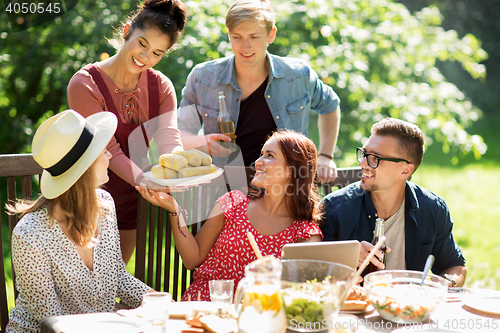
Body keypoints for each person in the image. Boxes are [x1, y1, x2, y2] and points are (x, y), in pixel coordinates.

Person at [5, 110, 153, 333]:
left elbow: (117, 276)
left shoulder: (105, 204)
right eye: (103, 151)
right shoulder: (29, 235)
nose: (110, 156)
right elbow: (51, 321)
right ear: (84, 169)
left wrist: (163, 304)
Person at [137, 130, 323, 301]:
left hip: (254, 315)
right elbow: (192, 258)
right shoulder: (233, 202)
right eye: (261, 154)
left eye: (270, 156)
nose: (258, 162)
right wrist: (174, 209)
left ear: (292, 170)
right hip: (201, 306)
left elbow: (297, 294)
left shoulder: (305, 234)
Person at [67, 0, 188, 263]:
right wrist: (147, 180)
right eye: (142, 43)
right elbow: (107, 148)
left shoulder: (161, 87)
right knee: (87, 287)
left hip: (133, 197)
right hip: (88, 198)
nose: (145, 57)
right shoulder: (85, 84)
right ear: (126, 31)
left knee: (115, 276)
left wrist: (178, 170)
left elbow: (168, 138)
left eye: (157, 53)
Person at [177, 0, 340, 184]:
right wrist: (204, 143)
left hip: (287, 192)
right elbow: (180, 134)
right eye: (237, 37)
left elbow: (330, 105)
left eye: (254, 37)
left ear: (271, 35)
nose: (245, 46)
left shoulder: (298, 75)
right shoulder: (202, 77)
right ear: (229, 35)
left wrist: (326, 156)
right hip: (225, 192)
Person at [321, 118, 467, 287]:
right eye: (364, 153)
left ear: (405, 170)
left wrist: (443, 285)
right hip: (354, 309)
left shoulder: (433, 209)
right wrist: (344, 257)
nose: (361, 163)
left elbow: (454, 266)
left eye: (375, 158)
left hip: (411, 309)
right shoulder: (333, 209)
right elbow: (310, 272)